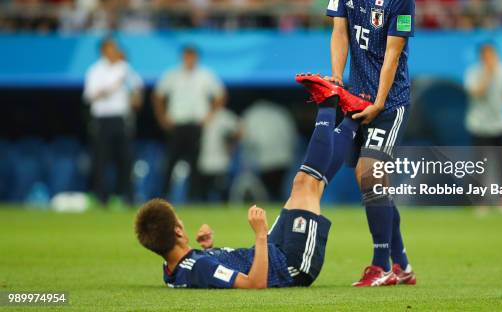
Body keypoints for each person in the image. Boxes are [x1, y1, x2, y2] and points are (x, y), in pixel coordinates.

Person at [134, 80, 372, 288]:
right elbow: (254, 283)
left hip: (275, 253)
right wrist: (259, 233)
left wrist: (209, 249)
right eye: (178, 221)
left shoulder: (174, 270)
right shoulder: (197, 267)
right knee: (305, 184)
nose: (182, 223)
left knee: (312, 184)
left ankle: (354, 115)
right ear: (177, 231)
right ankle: (328, 103)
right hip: (292, 265)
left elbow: (203, 272)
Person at [324, 0, 417, 286]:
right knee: (372, 182)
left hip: (390, 101)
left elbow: (393, 57)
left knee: (370, 174)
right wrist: (336, 79)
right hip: (355, 97)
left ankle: (381, 267)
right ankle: (403, 264)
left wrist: (379, 102)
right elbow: (339, 32)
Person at [152, 45, 225, 201]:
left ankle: (194, 197)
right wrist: (162, 117)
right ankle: (164, 197)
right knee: (170, 161)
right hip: (177, 124)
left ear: (196, 57)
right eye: (187, 56)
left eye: (192, 56)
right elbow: (158, 95)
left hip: (196, 124)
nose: (190, 59)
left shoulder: (205, 75)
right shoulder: (173, 74)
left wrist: (210, 116)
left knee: (196, 163)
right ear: (183, 57)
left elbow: (220, 95)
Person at [84, 37, 143, 206]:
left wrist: (136, 98)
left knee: (125, 159)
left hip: (121, 118)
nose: (114, 51)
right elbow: (89, 96)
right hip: (102, 119)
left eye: (115, 48)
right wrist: (111, 88)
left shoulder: (124, 68)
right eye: (110, 48)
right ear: (103, 51)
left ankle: (127, 197)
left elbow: (137, 88)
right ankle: (101, 198)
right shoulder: (95, 70)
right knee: (101, 160)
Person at [464, 43, 502, 212]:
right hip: (479, 125)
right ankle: (481, 203)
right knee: (481, 166)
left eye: (492, 54)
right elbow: (476, 92)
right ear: (481, 56)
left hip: (498, 125)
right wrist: (487, 74)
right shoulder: (473, 73)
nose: (490, 58)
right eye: (486, 55)